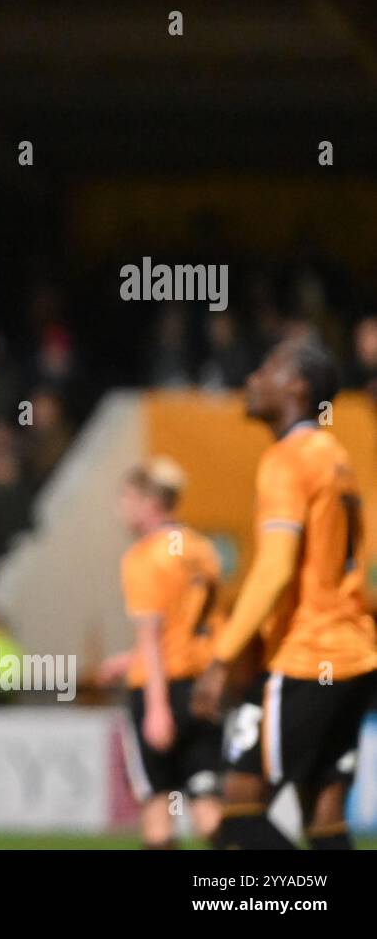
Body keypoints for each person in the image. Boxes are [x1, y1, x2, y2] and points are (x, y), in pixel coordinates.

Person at [192, 337, 377, 849]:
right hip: (355, 656)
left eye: (266, 368)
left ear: (297, 386)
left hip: (307, 656)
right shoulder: (336, 458)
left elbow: (275, 569)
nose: (252, 378)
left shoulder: (288, 459)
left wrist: (222, 658)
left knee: (236, 812)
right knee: (325, 813)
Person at [113, 458, 223, 847]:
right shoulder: (202, 549)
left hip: (159, 690)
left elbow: (153, 636)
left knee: (158, 811)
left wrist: (157, 708)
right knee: (208, 806)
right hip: (202, 689)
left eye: (126, 497)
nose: (121, 507)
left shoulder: (144, 557)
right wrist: (130, 659)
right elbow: (194, 624)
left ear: (149, 501)